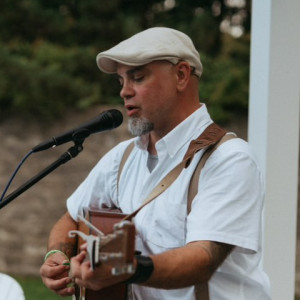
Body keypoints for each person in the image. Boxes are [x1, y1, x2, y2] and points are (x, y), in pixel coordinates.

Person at [40, 27, 271, 299]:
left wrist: (127, 269)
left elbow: (203, 259)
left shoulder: (230, 159)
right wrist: (58, 256)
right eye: (121, 81)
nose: (125, 92)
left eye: (137, 78)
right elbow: (71, 217)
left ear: (181, 75)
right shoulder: (122, 158)